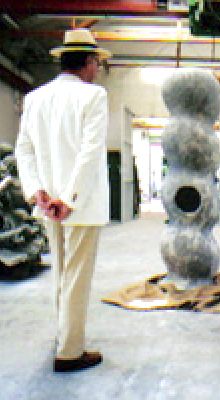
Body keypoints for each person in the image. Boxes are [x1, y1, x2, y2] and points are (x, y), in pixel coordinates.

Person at [15, 29, 111, 372]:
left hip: (49, 204)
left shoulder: (35, 98)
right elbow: (89, 151)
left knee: (61, 273)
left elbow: (24, 149)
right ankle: (70, 351)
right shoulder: (94, 96)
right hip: (79, 205)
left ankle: (64, 336)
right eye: (96, 63)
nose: (97, 69)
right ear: (89, 61)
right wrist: (70, 199)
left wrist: (36, 192)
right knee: (77, 277)